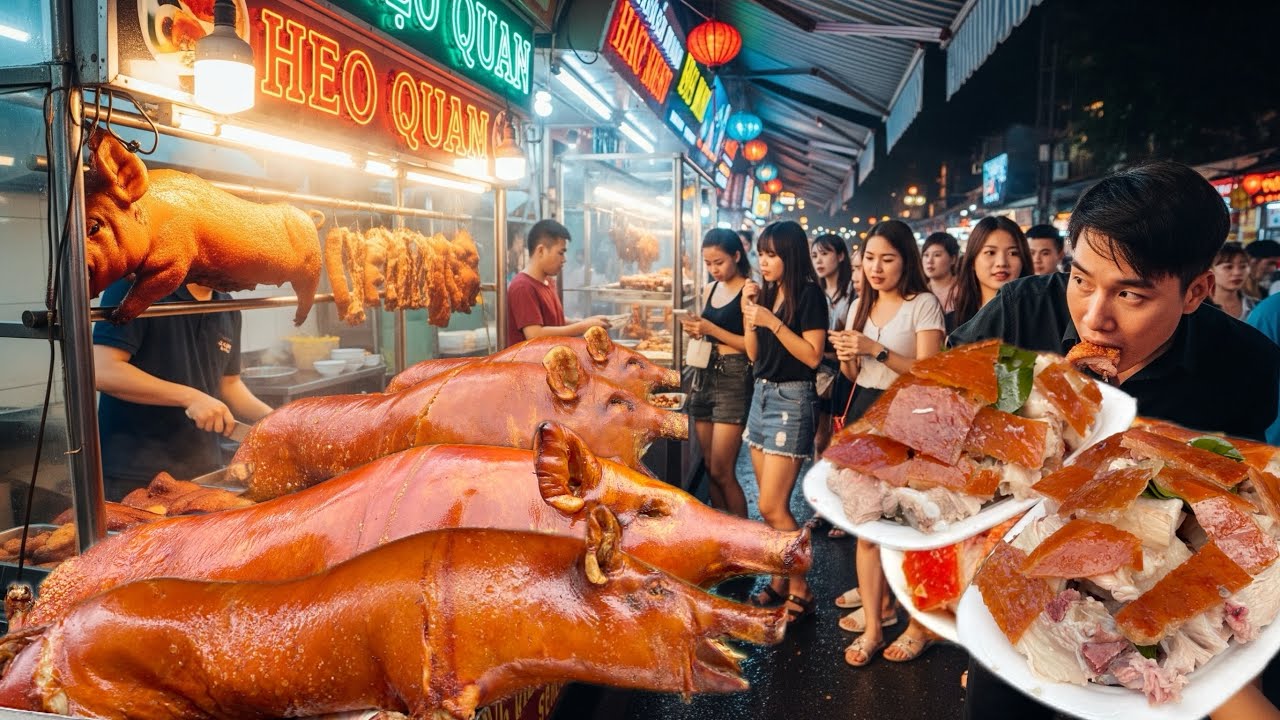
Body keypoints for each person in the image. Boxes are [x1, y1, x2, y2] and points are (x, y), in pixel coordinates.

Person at [951, 160, 1280, 718]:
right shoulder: (1021, 312)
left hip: (1156, 618)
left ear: (1197, 290)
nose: (1093, 318)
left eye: (1130, 295)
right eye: (1081, 280)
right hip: (1021, 592)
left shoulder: (1246, 366)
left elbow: (1240, 514)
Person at [829, 220, 945, 667]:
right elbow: (856, 379)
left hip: (909, 424)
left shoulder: (924, 305)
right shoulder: (860, 303)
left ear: (906, 260)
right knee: (865, 528)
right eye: (870, 258)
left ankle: (919, 619)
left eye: (888, 259)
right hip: (865, 420)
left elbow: (930, 373)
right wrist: (848, 358)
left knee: (904, 527)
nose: (876, 268)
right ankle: (876, 626)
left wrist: (873, 348)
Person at [94, 280, 273, 501]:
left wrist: (277, 421)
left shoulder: (226, 306)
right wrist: (190, 397)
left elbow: (230, 385)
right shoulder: (136, 287)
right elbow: (102, 369)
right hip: (135, 476)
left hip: (202, 473)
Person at [741, 220, 828, 624]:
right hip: (762, 394)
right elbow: (754, 354)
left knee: (772, 505)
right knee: (769, 507)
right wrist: (749, 315)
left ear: (790, 256)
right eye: (761, 253)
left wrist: (772, 321)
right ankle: (780, 579)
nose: (764, 261)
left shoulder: (810, 295)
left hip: (792, 399)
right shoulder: (769, 293)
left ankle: (801, 588)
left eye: (772, 254)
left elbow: (812, 356)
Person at [680, 229, 754, 518]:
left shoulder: (749, 290)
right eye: (708, 263)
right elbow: (707, 331)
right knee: (710, 467)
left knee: (724, 470)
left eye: (719, 262)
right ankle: (723, 538)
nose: (714, 269)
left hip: (733, 378)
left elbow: (750, 347)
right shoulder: (709, 289)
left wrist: (711, 329)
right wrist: (696, 328)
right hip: (704, 377)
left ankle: (744, 540)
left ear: (737, 256)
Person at [506, 219, 609, 346]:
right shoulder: (523, 286)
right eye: (560, 253)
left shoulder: (548, 282)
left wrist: (585, 322)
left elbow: (554, 323)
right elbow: (534, 334)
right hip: (529, 364)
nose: (564, 259)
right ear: (541, 251)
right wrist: (582, 327)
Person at [810, 233, 855, 460]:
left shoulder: (854, 292)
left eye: (825, 254)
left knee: (837, 437)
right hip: (818, 371)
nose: (818, 260)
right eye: (815, 255)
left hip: (845, 372)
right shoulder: (812, 292)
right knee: (819, 438)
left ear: (840, 256)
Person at [947, 216, 1033, 331]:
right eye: (990, 252)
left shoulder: (1039, 320)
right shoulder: (952, 324)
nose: (1001, 263)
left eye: (1013, 253)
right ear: (972, 260)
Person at [1211, 241, 1257, 320]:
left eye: (1243, 266)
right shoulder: (1197, 308)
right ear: (1210, 270)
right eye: (1228, 267)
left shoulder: (1256, 306)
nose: (1237, 273)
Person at [921, 231, 961, 313]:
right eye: (926, 255)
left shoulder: (965, 290)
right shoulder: (919, 292)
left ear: (953, 259)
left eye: (937, 255)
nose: (929, 261)